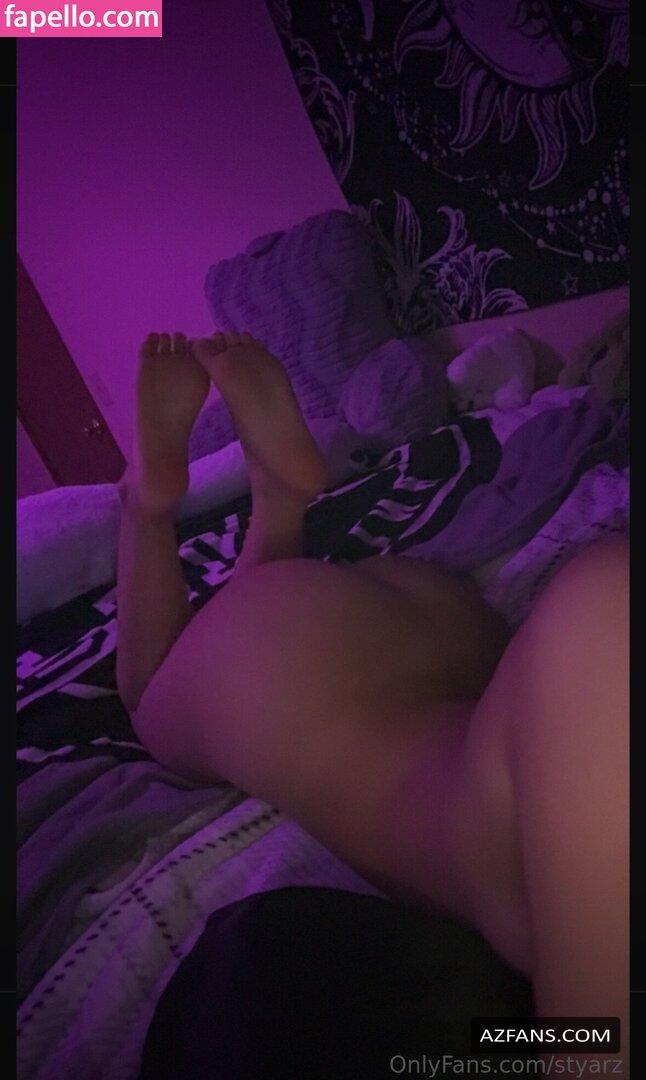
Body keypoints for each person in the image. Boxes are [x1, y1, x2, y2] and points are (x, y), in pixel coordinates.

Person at [117, 330, 628, 1075]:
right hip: (401, 650)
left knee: (182, 676)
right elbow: (571, 1047)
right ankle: (200, 505)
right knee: (172, 684)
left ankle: (218, 504)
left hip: (428, 644)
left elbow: (550, 1045)